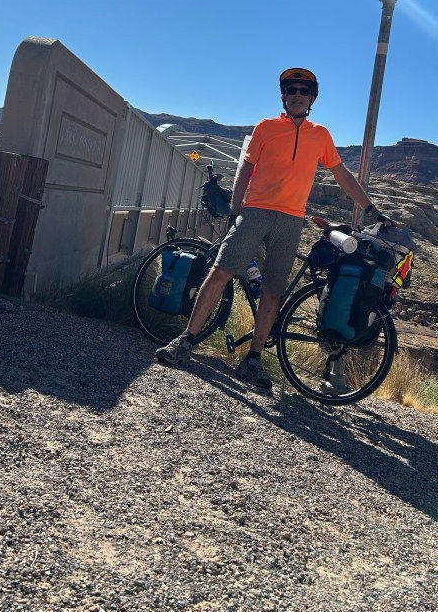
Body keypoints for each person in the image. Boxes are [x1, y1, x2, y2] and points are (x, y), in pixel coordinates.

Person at [155, 67, 390, 391]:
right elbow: (246, 168)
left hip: (291, 220)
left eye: (304, 91)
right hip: (255, 212)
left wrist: (371, 208)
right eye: (291, 90)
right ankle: (185, 341)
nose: (297, 95)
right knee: (221, 272)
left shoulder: (320, 135)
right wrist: (236, 211)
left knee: (273, 291)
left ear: (312, 98)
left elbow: (342, 175)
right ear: (283, 95)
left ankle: (252, 361)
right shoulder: (265, 128)